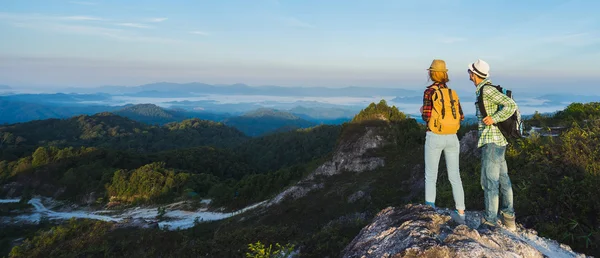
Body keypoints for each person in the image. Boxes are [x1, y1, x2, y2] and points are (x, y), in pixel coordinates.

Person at [467, 59, 517, 231]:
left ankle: (490, 222)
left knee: (490, 182)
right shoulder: (484, 90)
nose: (469, 76)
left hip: (492, 141)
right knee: (504, 180)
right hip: (499, 141)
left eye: (470, 73)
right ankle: (509, 218)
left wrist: (494, 118)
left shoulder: (487, 90)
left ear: (474, 74)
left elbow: (511, 105)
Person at [420, 59, 466, 224]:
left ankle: (430, 211)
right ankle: (461, 213)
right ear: (445, 74)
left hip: (435, 136)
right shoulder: (451, 93)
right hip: (452, 137)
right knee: (455, 176)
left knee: (431, 176)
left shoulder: (429, 92)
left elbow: (426, 116)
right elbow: (460, 116)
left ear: (432, 73)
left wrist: (423, 111)